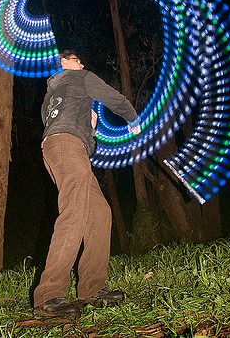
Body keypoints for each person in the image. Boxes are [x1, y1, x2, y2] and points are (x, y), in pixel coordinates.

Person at [33, 50, 140, 317]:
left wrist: (91, 129)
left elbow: (73, 137)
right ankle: (49, 294)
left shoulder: (50, 97)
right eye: (77, 59)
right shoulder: (81, 77)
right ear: (65, 63)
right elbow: (115, 98)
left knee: (100, 213)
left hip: (64, 149)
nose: (82, 63)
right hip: (68, 147)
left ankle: (92, 288)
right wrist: (133, 119)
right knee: (75, 211)